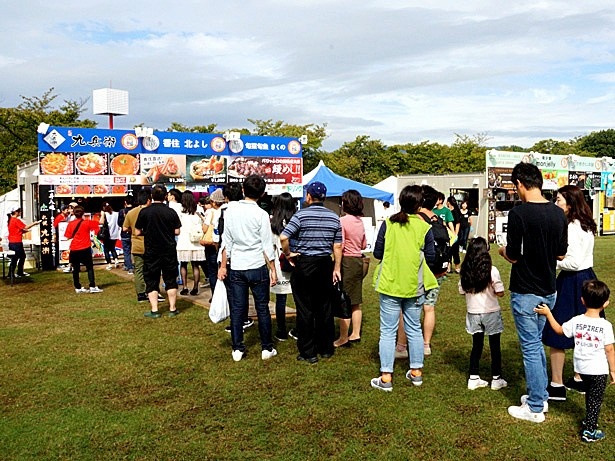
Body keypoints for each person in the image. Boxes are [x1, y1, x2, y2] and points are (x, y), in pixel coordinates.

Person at [499, 162, 567, 423]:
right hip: (549, 288)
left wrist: (504, 252)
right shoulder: (558, 213)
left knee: (530, 347)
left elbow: (514, 256)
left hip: (526, 290)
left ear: (519, 184)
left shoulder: (519, 214)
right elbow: (561, 253)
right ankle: (540, 395)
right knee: (536, 343)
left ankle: (536, 406)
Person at [370, 185, 437, 391]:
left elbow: (377, 253)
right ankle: (416, 372)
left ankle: (386, 376)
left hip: (390, 284)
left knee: (388, 332)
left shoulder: (389, 223)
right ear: (419, 204)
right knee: (414, 329)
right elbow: (432, 258)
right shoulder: (424, 227)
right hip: (414, 286)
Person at [535, 280, 615, 442]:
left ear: (582, 300)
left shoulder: (576, 321)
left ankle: (589, 419)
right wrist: (613, 370)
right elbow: (610, 349)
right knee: (595, 399)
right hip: (598, 371)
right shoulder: (605, 325)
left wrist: (548, 313)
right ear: (606, 303)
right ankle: (590, 431)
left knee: (591, 396)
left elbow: (558, 330)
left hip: (581, 369)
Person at [542, 185, 599, 401]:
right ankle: (578, 378)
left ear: (570, 203)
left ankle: (557, 384)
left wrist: (551, 260)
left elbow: (573, 262)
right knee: (582, 332)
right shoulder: (586, 224)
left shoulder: (572, 228)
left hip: (572, 281)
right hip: (587, 279)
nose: (556, 204)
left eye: (558, 200)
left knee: (559, 332)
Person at [280, 181, 342, 363]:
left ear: (308, 196)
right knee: (324, 307)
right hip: (325, 264)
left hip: (305, 264)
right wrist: (336, 268)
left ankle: (308, 352)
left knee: (305, 308)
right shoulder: (333, 217)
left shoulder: (300, 216)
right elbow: (337, 245)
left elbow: (284, 236)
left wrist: (288, 254)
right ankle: (326, 348)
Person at [217, 175, 277, 362]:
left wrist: (223, 265)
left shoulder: (231, 212)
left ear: (243, 190)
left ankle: (237, 348)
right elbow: (267, 245)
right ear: (263, 194)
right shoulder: (261, 214)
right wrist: (273, 269)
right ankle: (266, 348)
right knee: (262, 308)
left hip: (237, 266)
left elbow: (226, 242)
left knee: (237, 308)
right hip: (257, 266)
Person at [396, 185, 448, 359]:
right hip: (438, 272)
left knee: (407, 309)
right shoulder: (438, 219)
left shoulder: (415, 219)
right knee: (429, 308)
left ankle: (402, 346)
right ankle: (426, 345)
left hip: (418, 271)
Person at [459, 237, 507, 391]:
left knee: (476, 345)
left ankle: (473, 377)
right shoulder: (491, 270)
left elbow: (461, 291)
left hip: (473, 312)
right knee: (495, 346)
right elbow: (500, 292)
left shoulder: (465, 271)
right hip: (491, 311)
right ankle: (496, 378)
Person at [135, 184, 182, 318]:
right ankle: (172, 308)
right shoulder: (171, 212)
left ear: (151, 197)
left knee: (151, 279)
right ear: (166, 196)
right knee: (170, 279)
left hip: (151, 251)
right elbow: (177, 231)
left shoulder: (144, 212)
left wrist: (148, 232)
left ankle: (155, 310)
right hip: (169, 250)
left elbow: (137, 231)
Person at [334, 190, 367, 348]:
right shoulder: (359, 221)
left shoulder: (342, 221)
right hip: (358, 261)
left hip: (346, 261)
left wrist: (336, 266)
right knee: (355, 301)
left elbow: (340, 245)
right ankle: (356, 333)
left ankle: (343, 337)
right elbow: (364, 245)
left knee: (344, 300)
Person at [123, 189, 159, 303]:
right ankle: (152, 292)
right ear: (149, 200)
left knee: (138, 270)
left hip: (137, 245)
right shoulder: (152, 212)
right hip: (151, 245)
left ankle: (141, 294)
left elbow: (124, 228)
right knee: (152, 270)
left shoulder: (131, 212)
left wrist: (132, 230)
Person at [270, 192, 296, 341]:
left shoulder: (273, 222)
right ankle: (299, 328)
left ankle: (281, 330)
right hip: (295, 261)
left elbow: (270, 246)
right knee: (300, 298)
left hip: (279, 264)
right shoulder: (296, 220)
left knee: (281, 298)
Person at [64, 206, 103, 293]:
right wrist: (103, 214)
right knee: (89, 267)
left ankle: (77, 287)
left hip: (74, 248)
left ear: (73, 213)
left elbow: (67, 236)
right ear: (83, 213)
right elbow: (100, 223)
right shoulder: (87, 222)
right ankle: (92, 286)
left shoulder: (70, 224)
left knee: (76, 269)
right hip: (85, 247)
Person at [177, 190, 205, 296]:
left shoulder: (180, 210)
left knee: (183, 264)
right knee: (195, 265)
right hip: (196, 241)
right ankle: (195, 287)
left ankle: (184, 287)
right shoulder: (198, 209)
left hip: (183, 240)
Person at [6, 206, 41, 279]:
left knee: (16, 258)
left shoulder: (10, 220)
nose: (20, 213)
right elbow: (26, 227)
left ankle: (13, 273)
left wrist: (25, 231)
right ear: (16, 212)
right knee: (20, 257)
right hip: (16, 242)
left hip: (12, 242)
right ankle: (17, 272)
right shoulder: (16, 220)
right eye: (19, 211)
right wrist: (34, 223)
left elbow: (17, 230)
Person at [202, 188, 224, 299]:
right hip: (224, 246)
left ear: (214, 202)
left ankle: (215, 295)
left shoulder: (210, 212)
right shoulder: (227, 210)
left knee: (212, 271)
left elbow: (205, 229)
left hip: (212, 246)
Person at [99, 203, 120, 270]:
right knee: (113, 248)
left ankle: (109, 264)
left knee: (106, 250)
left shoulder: (105, 214)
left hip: (107, 235)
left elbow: (101, 222)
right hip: (115, 234)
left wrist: (102, 214)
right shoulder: (116, 214)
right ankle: (116, 260)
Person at [118, 196, 134, 274]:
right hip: (134, 233)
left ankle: (129, 266)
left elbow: (119, 223)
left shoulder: (122, 211)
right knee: (133, 251)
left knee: (126, 251)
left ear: (125, 202)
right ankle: (129, 265)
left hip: (124, 233)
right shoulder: (135, 210)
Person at [446, 196, 461, 273]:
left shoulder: (455, 212)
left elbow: (457, 224)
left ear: (448, 202)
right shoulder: (447, 211)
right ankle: (448, 266)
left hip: (454, 234)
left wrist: (455, 234)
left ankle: (457, 267)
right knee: (448, 251)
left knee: (455, 251)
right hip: (447, 233)